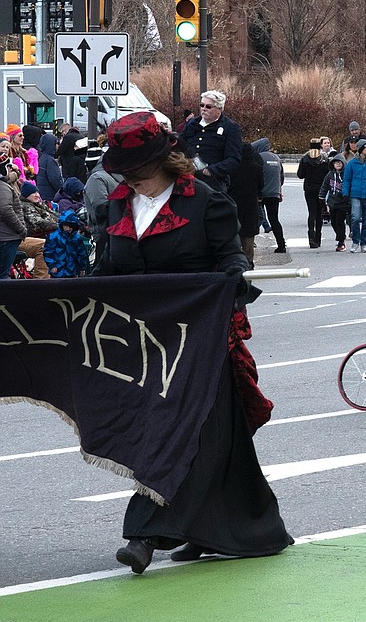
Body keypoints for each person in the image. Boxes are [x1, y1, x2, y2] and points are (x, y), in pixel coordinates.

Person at [93, 112, 292, 572]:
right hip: (142, 346)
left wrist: (233, 280)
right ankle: (226, 528)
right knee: (199, 438)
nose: (132, 180)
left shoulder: (204, 201)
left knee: (179, 434)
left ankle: (144, 534)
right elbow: (106, 271)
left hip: (199, 341)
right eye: (125, 172)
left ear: (167, 160)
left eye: (140, 170)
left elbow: (230, 257)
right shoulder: (118, 206)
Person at [179, 90, 243, 191]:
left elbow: (233, 159)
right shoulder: (192, 123)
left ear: (219, 109)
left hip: (213, 181)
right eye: (202, 105)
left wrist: (211, 170)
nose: (204, 109)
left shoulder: (230, 127)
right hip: (188, 177)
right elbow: (179, 143)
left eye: (208, 106)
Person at [252, 138, 286, 254]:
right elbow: (281, 178)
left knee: (257, 218)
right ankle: (281, 245)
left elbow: (255, 176)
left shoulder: (258, 157)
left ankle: (250, 242)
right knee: (274, 219)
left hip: (260, 194)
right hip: (274, 194)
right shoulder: (276, 158)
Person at [296, 138, 329, 249]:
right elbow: (328, 174)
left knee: (312, 213)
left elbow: (300, 175)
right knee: (319, 213)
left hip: (309, 188)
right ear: (320, 146)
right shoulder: (324, 159)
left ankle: (311, 237)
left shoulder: (305, 159)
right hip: (321, 188)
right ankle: (318, 238)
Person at [43, 209, 90, 277]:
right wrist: (52, 265)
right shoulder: (53, 237)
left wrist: (82, 267)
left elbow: (81, 253)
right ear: (61, 225)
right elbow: (47, 252)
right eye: (66, 226)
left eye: (71, 226)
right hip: (57, 270)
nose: (68, 228)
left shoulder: (77, 238)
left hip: (72, 270)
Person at [0, 156, 26, 276]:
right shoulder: (3, 187)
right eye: (9, 167)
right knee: (3, 275)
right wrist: (21, 229)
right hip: (7, 237)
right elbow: (5, 210)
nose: (11, 170)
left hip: (5, 236)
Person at [319, 155, 350, 252]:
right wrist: (322, 196)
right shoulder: (330, 175)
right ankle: (341, 235)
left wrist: (349, 201)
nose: (338, 164)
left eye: (340, 163)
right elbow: (325, 186)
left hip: (343, 202)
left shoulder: (347, 175)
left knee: (340, 221)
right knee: (333, 222)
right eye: (336, 163)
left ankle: (341, 241)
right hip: (332, 202)